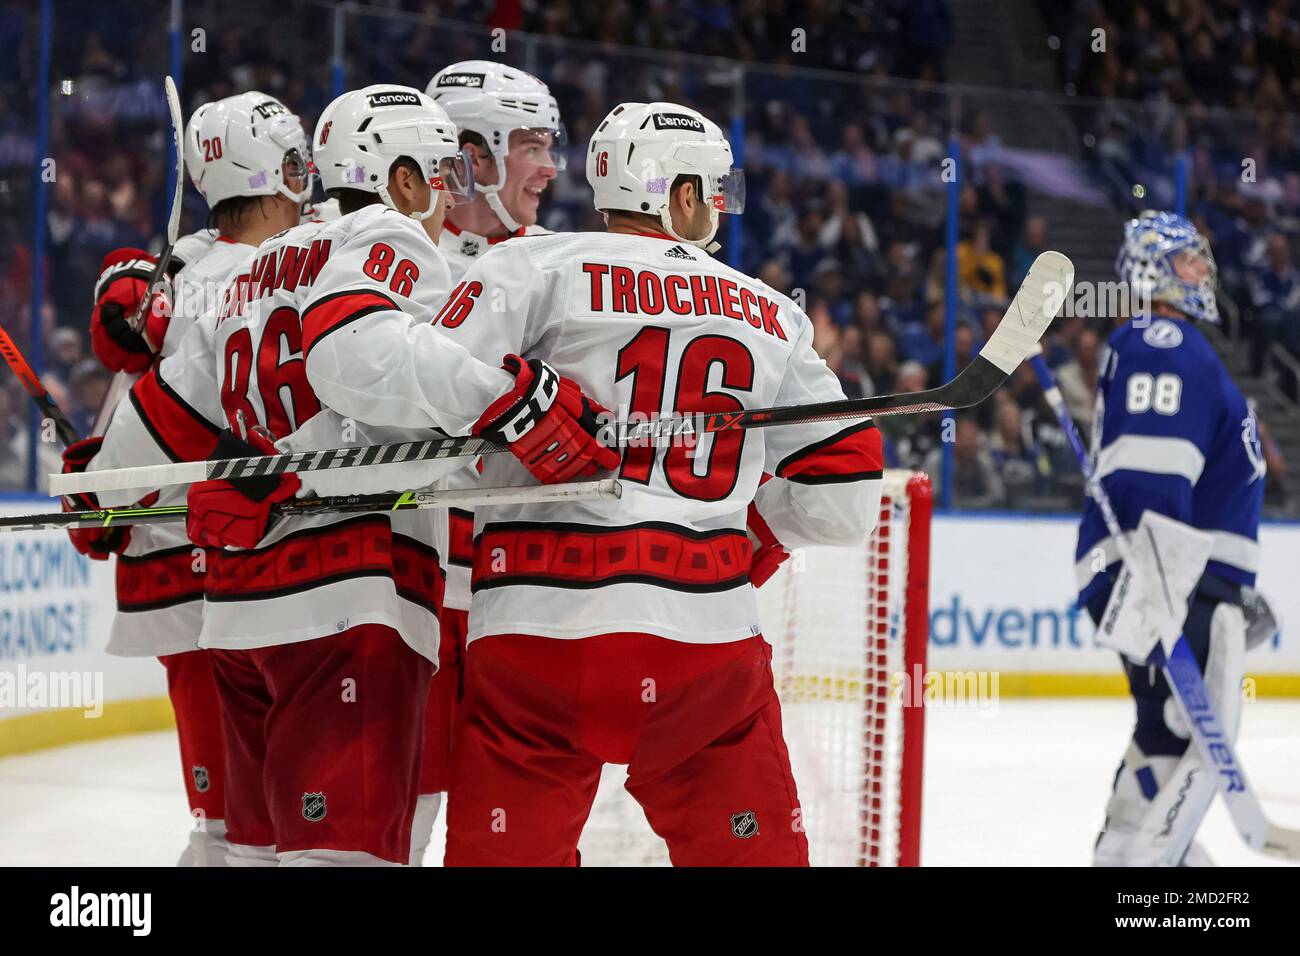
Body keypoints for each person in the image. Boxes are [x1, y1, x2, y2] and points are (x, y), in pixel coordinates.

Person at [88, 85, 614, 866]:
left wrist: (101, 499)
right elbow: (363, 366)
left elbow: (162, 418)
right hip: (347, 602)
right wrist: (511, 402)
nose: (446, 197)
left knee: (250, 851)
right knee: (344, 856)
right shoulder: (388, 241)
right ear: (399, 180)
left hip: (236, 618)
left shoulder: (251, 270)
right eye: (438, 174)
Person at [370, 100, 883, 865]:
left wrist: (511, 414)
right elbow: (844, 501)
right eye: (712, 191)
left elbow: (414, 420)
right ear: (679, 196)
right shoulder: (772, 316)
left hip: (533, 642)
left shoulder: (528, 266)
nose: (717, 208)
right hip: (704, 654)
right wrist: (753, 537)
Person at [60, 91, 313, 866]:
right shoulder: (255, 274)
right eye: (299, 165)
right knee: (248, 825)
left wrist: (98, 489)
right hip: (223, 573)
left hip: (181, 573)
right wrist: (105, 486)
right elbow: (163, 404)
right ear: (276, 173)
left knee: (233, 821)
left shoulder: (183, 272)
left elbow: (137, 395)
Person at [405, 60, 567, 862]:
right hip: (414, 590)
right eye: (532, 145)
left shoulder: (565, 267)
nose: (549, 168)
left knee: (520, 838)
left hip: (525, 592)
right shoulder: (385, 255)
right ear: (471, 154)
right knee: (401, 819)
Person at [1078, 211, 1265, 866]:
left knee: (1165, 731)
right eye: (1189, 260)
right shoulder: (1163, 341)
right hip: (1165, 578)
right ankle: (1161, 868)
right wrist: (1164, 588)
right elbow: (1149, 474)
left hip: (1175, 577)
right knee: (1197, 744)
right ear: (1155, 269)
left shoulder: (1167, 344)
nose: (1203, 272)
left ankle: (1123, 849)